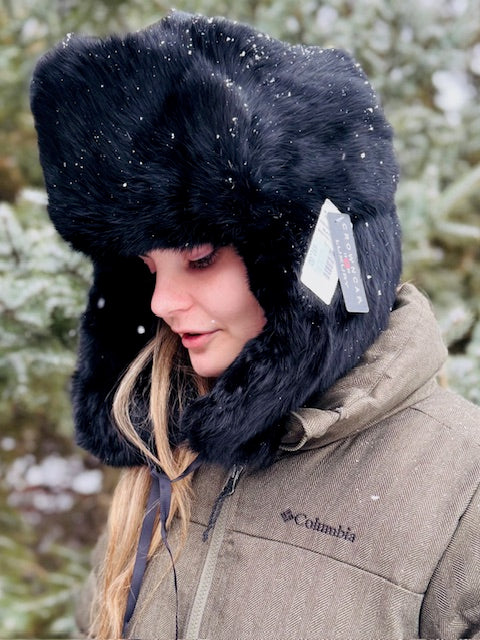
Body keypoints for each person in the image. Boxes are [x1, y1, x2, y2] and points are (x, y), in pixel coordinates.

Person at [30, 11, 480, 640]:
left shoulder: (460, 481)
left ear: (307, 260)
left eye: (199, 259)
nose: (161, 303)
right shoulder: (164, 451)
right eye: (147, 268)